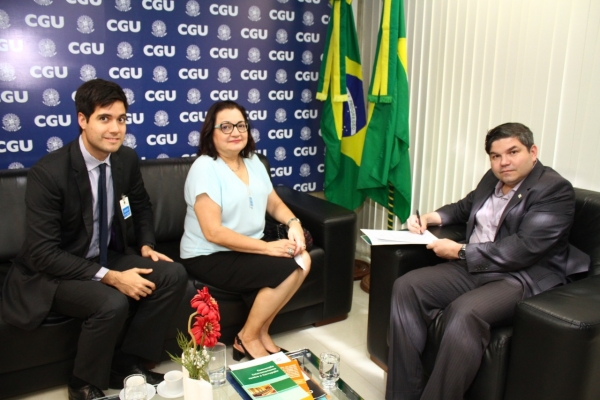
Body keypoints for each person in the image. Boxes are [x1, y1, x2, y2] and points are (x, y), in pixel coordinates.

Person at [1, 79, 188, 400]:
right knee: (111, 301)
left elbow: (141, 205)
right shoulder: (49, 173)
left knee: (173, 275)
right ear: (82, 120)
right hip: (54, 271)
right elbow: (44, 253)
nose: (116, 128)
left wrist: (146, 245)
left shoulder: (125, 159)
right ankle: (82, 384)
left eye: (121, 119)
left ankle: (127, 363)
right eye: (104, 118)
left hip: (106, 254)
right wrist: (112, 278)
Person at [386, 122, 590, 400]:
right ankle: (404, 394)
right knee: (407, 286)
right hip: (476, 266)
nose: (504, 162)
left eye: (513, 152)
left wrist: (460, 251)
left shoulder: (553, 190)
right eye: (496, 156)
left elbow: (524, 248)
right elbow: (463, 207)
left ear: (533, 151)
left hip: (521, 276)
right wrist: (429, 218)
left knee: (464, 311)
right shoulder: (492, 179)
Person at [180, 100, 311, 360]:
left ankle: (261, 332)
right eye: (225, 126)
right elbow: (213, 233)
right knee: (290, 267)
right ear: (211, 132)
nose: (235, 132)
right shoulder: (205, 168)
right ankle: (246, 337)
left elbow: (273, 201)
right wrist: (267, 248)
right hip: (209, 254)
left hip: (248, 245)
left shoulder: (253, 162)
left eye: (241, 125)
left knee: (303, 258)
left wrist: (293, 223)